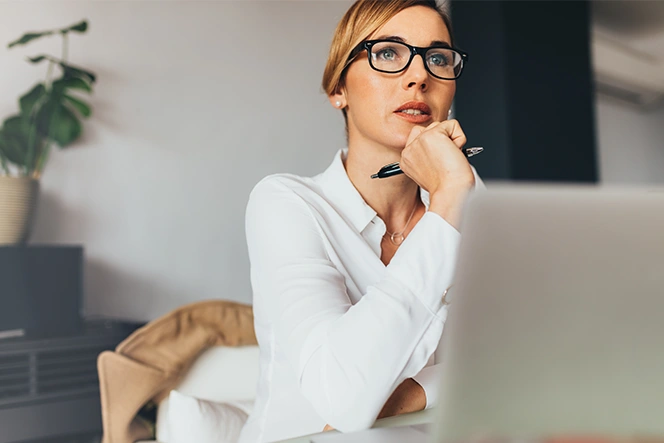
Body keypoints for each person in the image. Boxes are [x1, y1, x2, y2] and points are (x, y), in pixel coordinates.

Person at [238, 0, 485, 441]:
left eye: (438, 58)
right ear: (339, 90)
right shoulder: (287, 203)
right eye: (388, 52)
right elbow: (342, 396)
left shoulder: (468, 197)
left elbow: (530, 355)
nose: (419, 76)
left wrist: (409, 395)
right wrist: (448, 201)